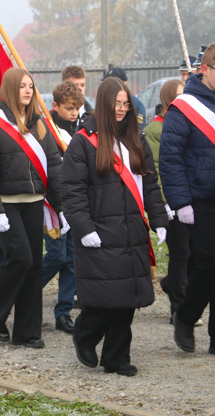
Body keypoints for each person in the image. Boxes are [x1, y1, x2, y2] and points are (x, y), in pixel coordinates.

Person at [61, 77, 168, 376]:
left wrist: (159, 220)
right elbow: (72, 191)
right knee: (106, 298)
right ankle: (85, 335)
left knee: (128, 299)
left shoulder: (135, 139)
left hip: (132, 229)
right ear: (104, 104)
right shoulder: (83, 142)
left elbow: (150, 184)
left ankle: (117, 357)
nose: (121, 110)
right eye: (115, 104)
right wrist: (84, 228)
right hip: (100, 232)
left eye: (125, 104)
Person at [160, 43, 215, 355]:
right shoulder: (184, 107)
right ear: (204, 69)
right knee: (212, 260)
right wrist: (181, 202)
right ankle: (186, 315)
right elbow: (170, 159)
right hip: (199, 199)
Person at [0, 68, 63, 349]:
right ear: (10, 89)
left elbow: (54, 168)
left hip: (34, 203)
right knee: (21, 259)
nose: (27, 90)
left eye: (31, 86)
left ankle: (27, 331)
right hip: (7, 206)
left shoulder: (40, 124)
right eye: (22, 86)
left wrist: (63, 209)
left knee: (35, 266)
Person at [41, 80, 84, 335]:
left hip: (74, 201)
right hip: (52, 203)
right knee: (56, 255)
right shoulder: (46, 129)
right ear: (55, 106)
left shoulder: (81, 127)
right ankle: (27, 291)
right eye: (69, 108)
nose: (74, 113)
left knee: (72, 261)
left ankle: (63, 311)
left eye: (77, 109)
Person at [143, 79, 186, 319]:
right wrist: (164, 203)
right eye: (178, 95)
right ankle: (178, 308)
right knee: (181, 253)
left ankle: (172, 285)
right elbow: (156, 169)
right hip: (171, 203)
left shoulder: (188, 123)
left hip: (189, 199)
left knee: (191, 253)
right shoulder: (155, 130)